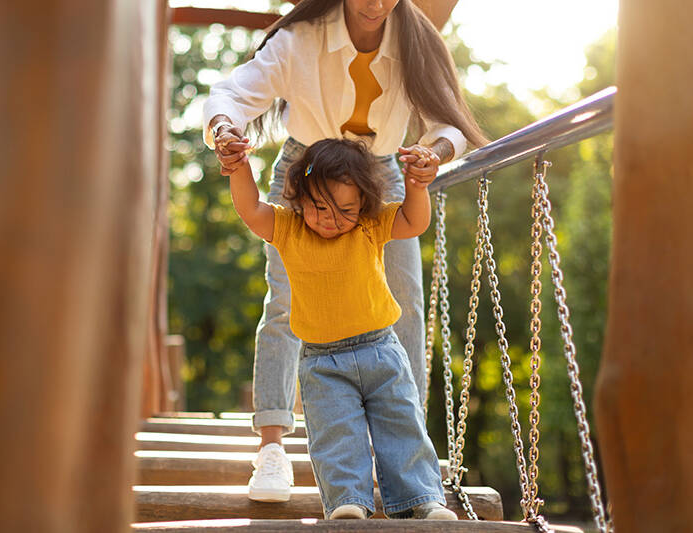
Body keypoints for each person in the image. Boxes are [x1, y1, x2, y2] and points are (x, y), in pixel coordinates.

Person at [203, 0, 487, 501]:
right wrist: (226, 129)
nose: (376, 3)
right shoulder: (302, 40)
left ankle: (403, 456)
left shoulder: (415, 42)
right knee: (287, 303)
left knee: (403, 305)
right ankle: (271, 448)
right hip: (307, 174)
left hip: (379, 176)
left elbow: (449, 124)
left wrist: (432, 155)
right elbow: (233, 92)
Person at [224, 135, 458, 520]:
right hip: (322, 362)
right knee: (336, 434)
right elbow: (250, 208)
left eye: (345, 209)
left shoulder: (369, 225)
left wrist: (417, 185)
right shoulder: (288, 229)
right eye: (319, 207)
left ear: (364, 203)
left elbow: (415, 222)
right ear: (298, 197)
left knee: (402, 424)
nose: (331, 219)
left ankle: (422, 499)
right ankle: (348, 501)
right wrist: (239, 168)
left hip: (381, 349)